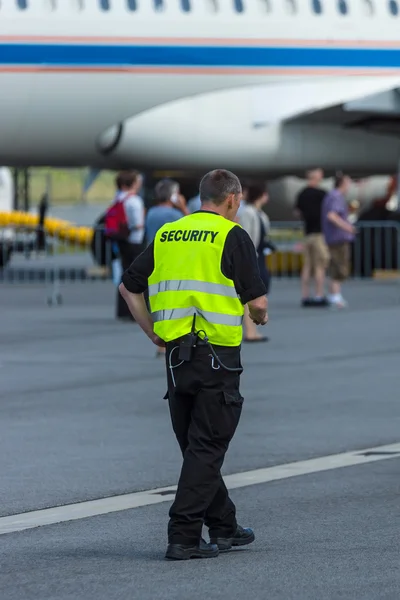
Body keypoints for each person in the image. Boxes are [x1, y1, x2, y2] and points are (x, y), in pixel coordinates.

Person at [119, 169, 268, 561]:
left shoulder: (168, 233)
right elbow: (259, 302)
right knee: (207, 445)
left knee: (195, 446)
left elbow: (128, 287)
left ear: (201, 197)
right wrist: (259, 316)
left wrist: (152, 332)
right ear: (233, 199)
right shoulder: (232, 236)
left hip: (174, 357)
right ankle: (183, 535)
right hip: (216, 357)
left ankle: (224, 525)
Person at [144, 178, 189, 357]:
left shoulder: (151, 213)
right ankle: (172, 341)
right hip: (174, 263)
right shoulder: (174, 216)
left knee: (160, 303)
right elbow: (191, 225)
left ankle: (161, 343)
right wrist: (184, 207)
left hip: (155, 262)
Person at [238, 183, 273, 342]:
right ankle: (250, 331)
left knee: (259, 290)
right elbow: (247, 236)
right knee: (249, 295)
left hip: (259, 256)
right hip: (252, 257)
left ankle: (253, 329)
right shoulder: (248, 212)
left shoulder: (260, 214)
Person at [294, 168, 330, 307]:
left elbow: (297, 212)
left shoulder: (302, 194)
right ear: (315, 178)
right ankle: (319, 295)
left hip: (307, 233)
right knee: (320, 265)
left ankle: (305, 295)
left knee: (307, 266)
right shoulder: (322, 194)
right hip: (318, 234)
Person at [114, 171, 146, 320]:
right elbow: (138, 224)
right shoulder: (135, 201)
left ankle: (122, 310)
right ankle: (136, 311)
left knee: (124, 274)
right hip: (135, 241)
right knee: (136, 276)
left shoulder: (119, 198)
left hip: (122, 240)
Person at [321, 172, 356, 309]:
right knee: (339, 267)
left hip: (334, 237)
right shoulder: (336, 197)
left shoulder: (332, 196)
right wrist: (348, 227)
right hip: (337, 238)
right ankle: (334, 295)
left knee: (337, 266)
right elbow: (332, 215)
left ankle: (335, 294)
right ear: (343, 183)